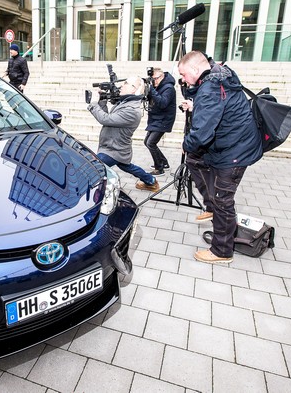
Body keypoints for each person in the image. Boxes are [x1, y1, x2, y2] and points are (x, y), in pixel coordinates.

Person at [178, 51, 262, 264]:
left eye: (184, 74)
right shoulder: (217, 77)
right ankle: (211, 207)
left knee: (223, 200)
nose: (183, 80)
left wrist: (185, 145)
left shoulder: (210, 87)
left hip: (234, 151)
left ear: (196, 70)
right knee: (194, 161)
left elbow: (201, 133)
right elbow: (218, 108)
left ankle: (222, 251)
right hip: (230, 145)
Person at [87, 75, 160, 192]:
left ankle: (93, 194)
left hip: (114, 149)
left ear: (133, 89)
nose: (121, 85)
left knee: (94, 167)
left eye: (125, 83)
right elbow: (110, 119)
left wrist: (94, 103)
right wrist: (102, 102)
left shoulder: (131, 110)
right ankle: (151, 181)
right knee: (128, 167)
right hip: (115, 147)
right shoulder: (126, 102)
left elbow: (105, 119)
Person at [144, 67, 177, 176]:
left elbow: (163, 103)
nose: (154, 82)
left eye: (155, 79)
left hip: (163, 120)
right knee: (147, 142)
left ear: (162, 76)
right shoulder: (158, 86)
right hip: (155, 119)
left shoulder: (169, 88)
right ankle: (164, 162)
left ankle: (159, 168)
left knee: (151, 143)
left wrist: (151, 90)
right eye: (152, 79)